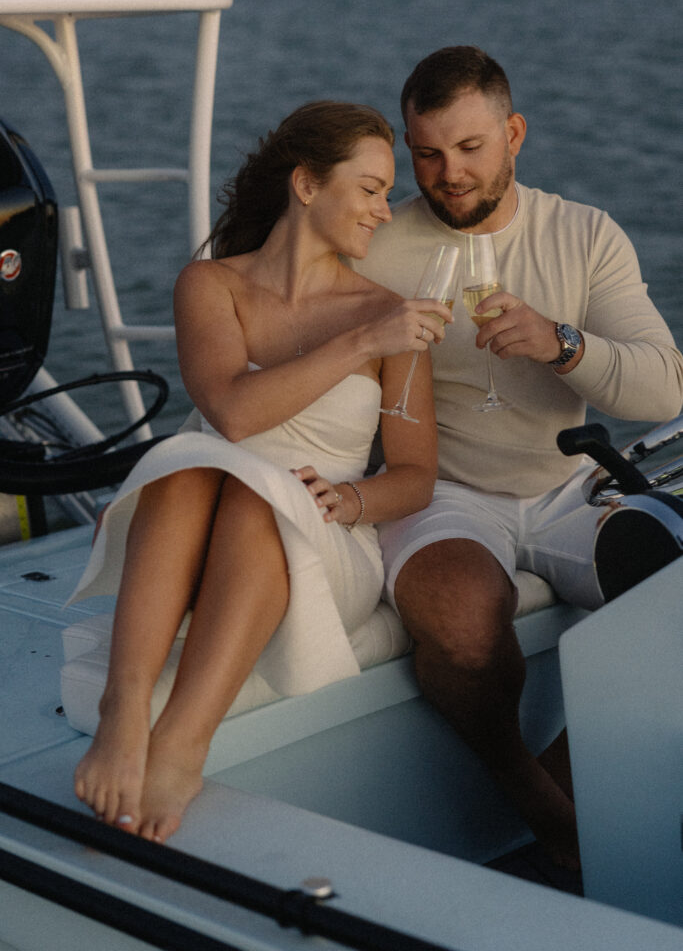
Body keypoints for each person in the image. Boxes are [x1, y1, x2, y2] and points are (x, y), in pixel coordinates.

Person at [70, 100, 453, 843]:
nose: (384, 210)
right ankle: (123, 711)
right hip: (205, 500)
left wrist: (348, 498)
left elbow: (414, 477)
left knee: (253, 499)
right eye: (370, 188)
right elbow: (234, 414)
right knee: (183, 465)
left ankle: (180, 743)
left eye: (384, 192)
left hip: (322, 535)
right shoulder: (210, 286)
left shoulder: (390, 318)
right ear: (306, 185)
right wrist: (358, 343)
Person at [350, 47, 683, 869]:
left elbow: (664, 387)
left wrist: (561, 343)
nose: (447, 174)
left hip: (568, 483)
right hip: (442, 492)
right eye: (426, 153)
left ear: (512, 134)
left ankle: (558, 786)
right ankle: (546, 812)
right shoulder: (374, 245)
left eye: (469, 149)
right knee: (463, 621)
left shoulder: (582, 232)